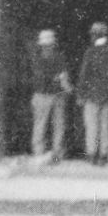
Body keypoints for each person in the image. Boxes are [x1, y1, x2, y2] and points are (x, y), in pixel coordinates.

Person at [77, 22, 108, 166]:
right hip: (107, 95)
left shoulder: (91, 52)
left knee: (92, 126)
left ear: (94, 35)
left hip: (92, 94)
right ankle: (103, 155)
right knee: (105, 126)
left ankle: (92, 154)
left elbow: (84, 74)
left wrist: (80, 94)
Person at [30, 29, 72, 164]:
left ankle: (39, 153)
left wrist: (55, 79)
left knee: (41, 125)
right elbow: (63, 77)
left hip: (42, 95)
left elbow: (39, 77)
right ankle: (56, 154)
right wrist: (65, 85)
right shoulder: (59, 57)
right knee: (58, 125)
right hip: (56, 95)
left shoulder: (37, 58)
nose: (47, 47)